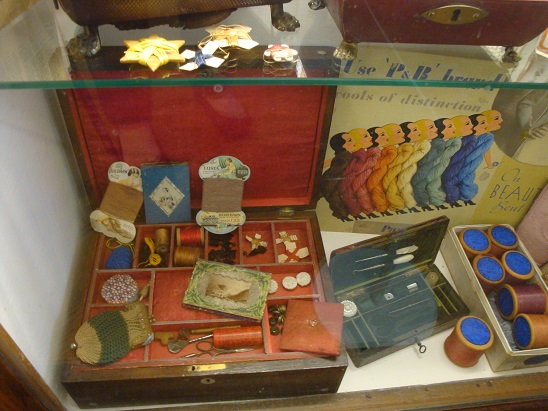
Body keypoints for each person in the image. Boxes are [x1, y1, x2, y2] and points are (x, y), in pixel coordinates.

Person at [397, 119, 435, 210]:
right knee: (406, 187)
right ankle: (410, 202)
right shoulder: (403, 149)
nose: (419, 131)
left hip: (411, 173)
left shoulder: (422, 145)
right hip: (407, 177)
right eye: (415, 130)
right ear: (406, 134)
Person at [441, 115, 477, 206]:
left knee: (449, 181)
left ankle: (454, 198)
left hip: (459, 165)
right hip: (455, 166)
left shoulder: (470, 139)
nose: (472, 125)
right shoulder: (455, 140)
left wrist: (448, 162)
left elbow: (463, 154)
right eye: (467, 124)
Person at [320, 132, 355, 221]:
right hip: (335, 185)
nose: (354, 142)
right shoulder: (344, 158)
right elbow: (333, 175)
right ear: (341, 145)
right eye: (350, 140)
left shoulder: (347, 156)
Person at [366, 126, 398, 215]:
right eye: (383, 134)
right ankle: (381, 206)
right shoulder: (374, 155)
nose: (387, 136)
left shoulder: (385, 153)